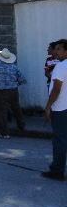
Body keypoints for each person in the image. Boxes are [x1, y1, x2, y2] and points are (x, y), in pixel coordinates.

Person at [0, 48, 27, 138]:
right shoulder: (14, 67)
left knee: (2, 111)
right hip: (13, 90)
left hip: (0, 91)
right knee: (16, 108)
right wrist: (14, 84)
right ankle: (21, 126)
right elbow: (22, 80)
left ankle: (4, 132)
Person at [42, 39, 67, 181]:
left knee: (59, 140)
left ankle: (57, 170)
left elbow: (56, 89)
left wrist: (48, 106)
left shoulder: (61, 66)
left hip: (60, 108)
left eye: (58, 49)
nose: (55, 52)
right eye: (55, 49)